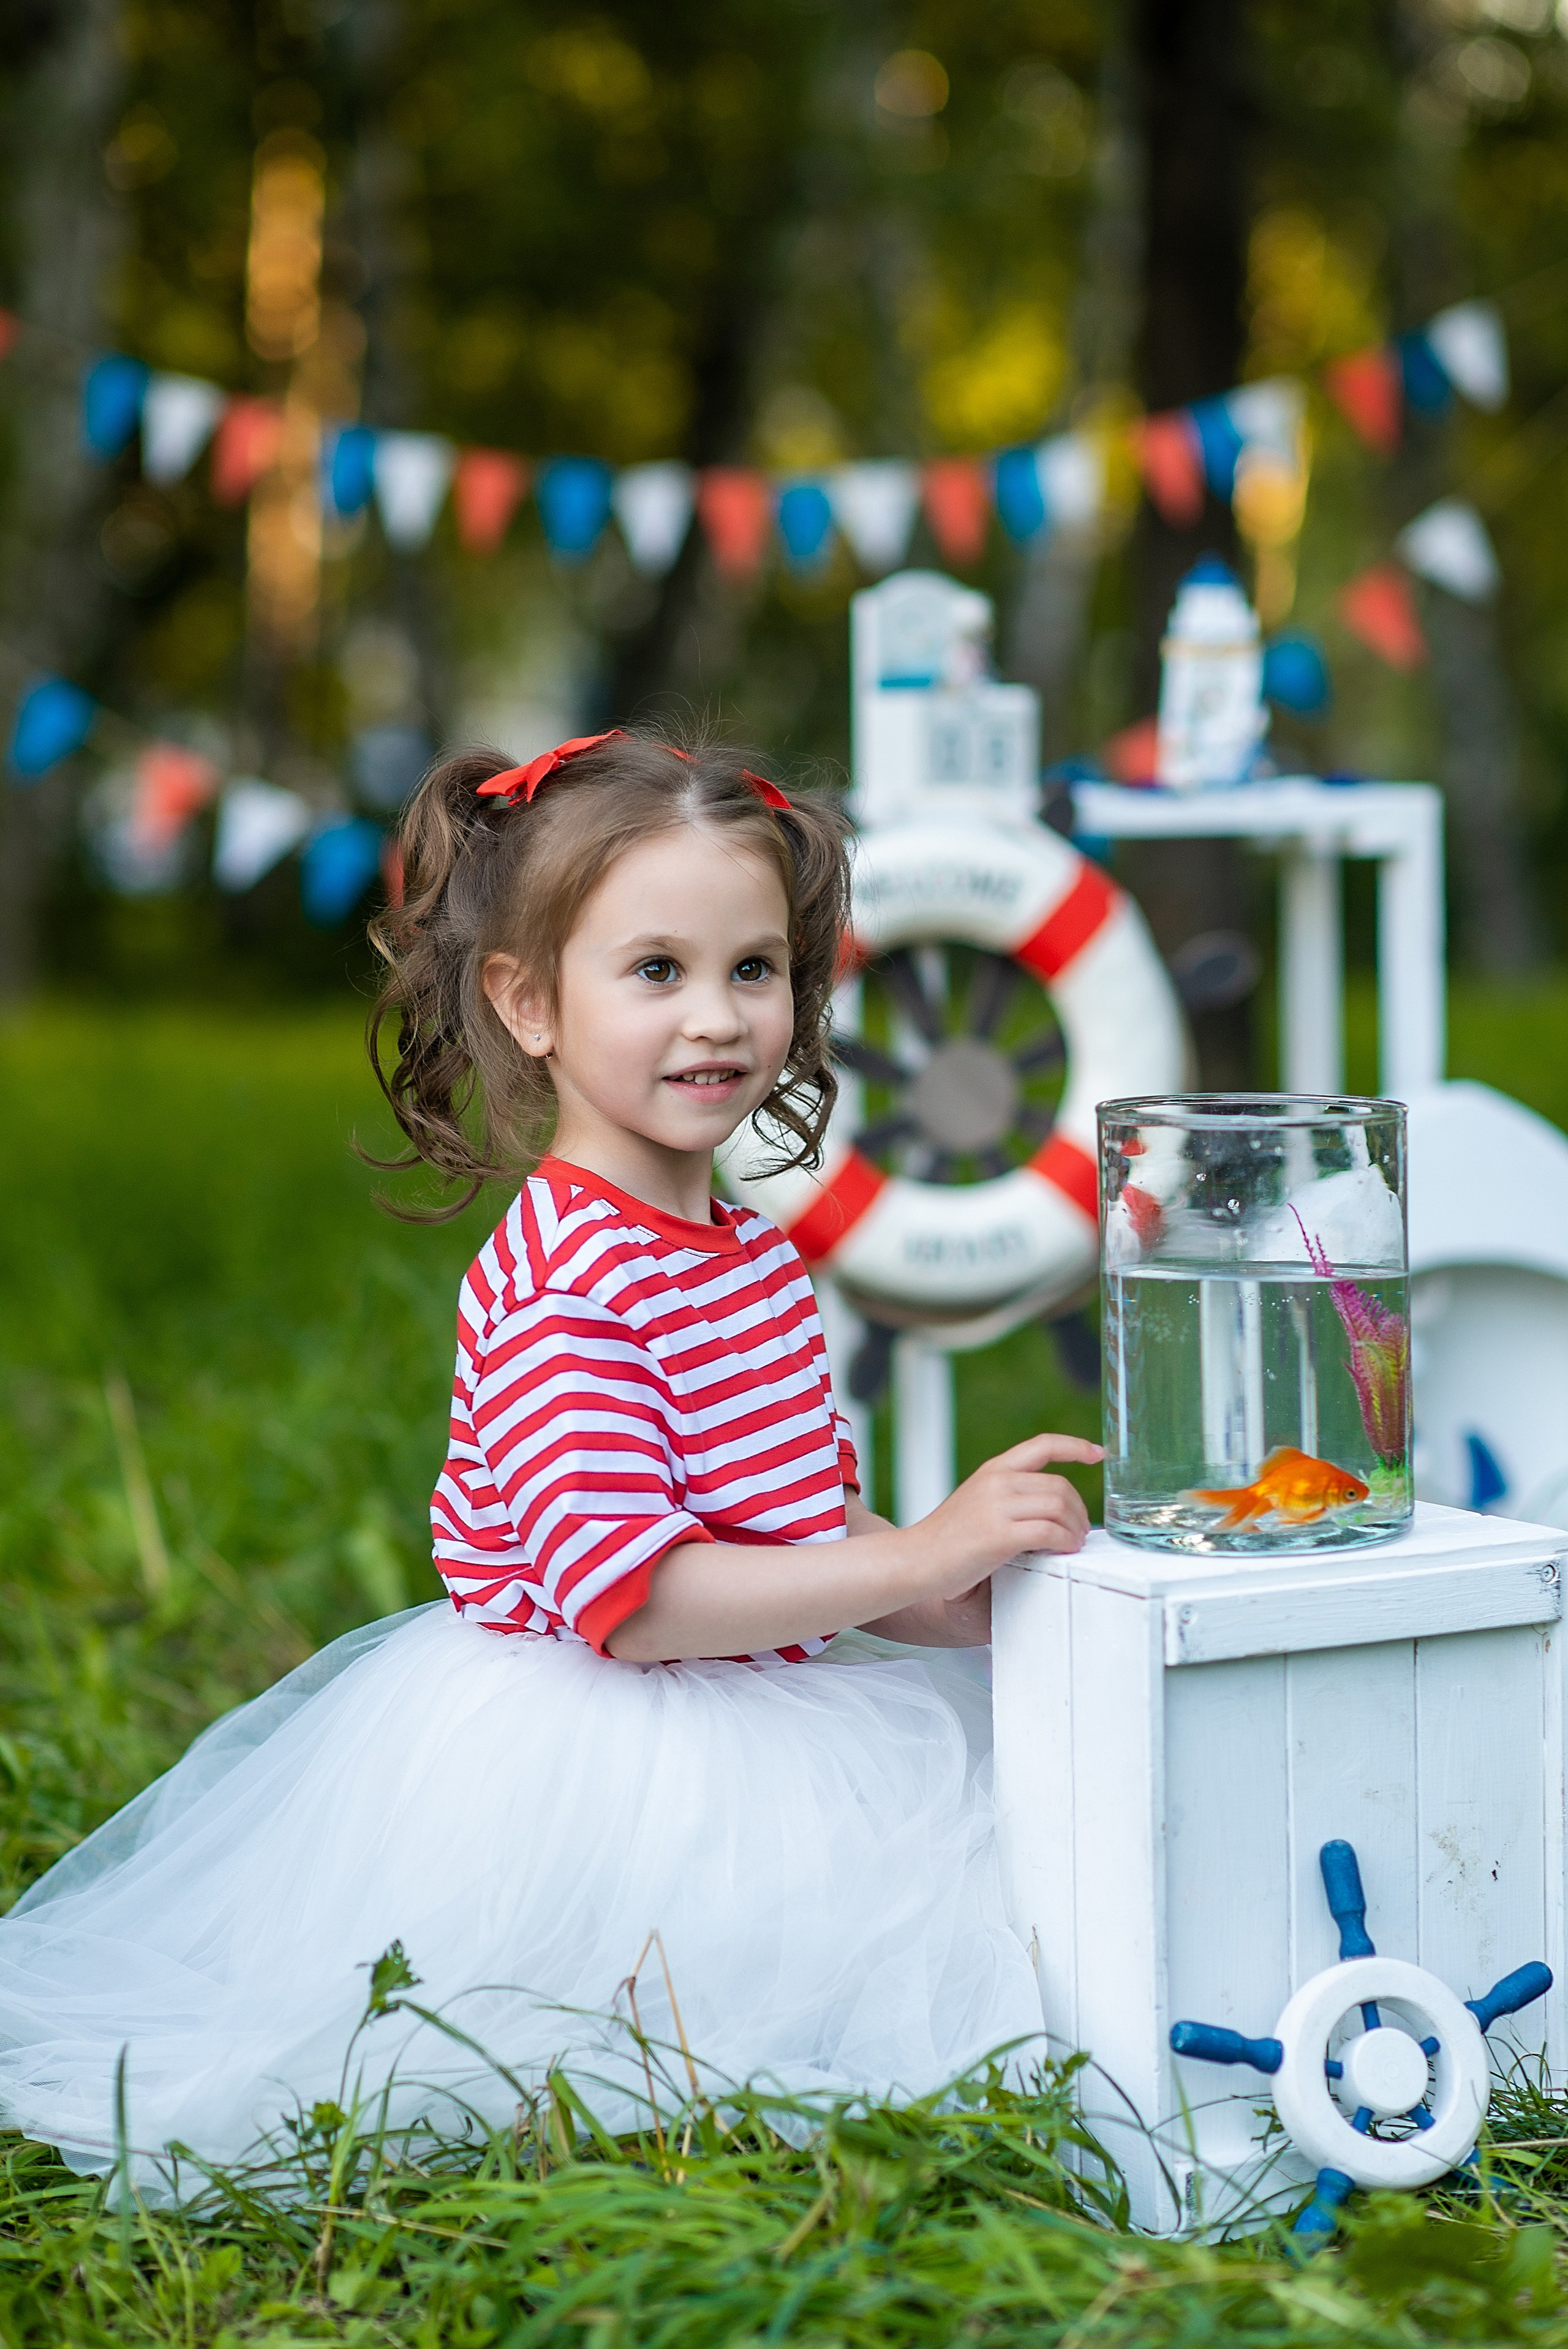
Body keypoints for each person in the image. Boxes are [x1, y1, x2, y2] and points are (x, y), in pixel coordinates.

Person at [0, 730, 1101, 2197]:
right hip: (604, 1745)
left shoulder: (746, 1253)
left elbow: (793, 1513)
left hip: (755, 1698)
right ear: (529, 1003)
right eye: (655, 971)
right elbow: (630, 1602)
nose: (716, 1018)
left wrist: (949, 1597)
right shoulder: (568, 1281)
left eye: (752, 970)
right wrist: (911, 1552)